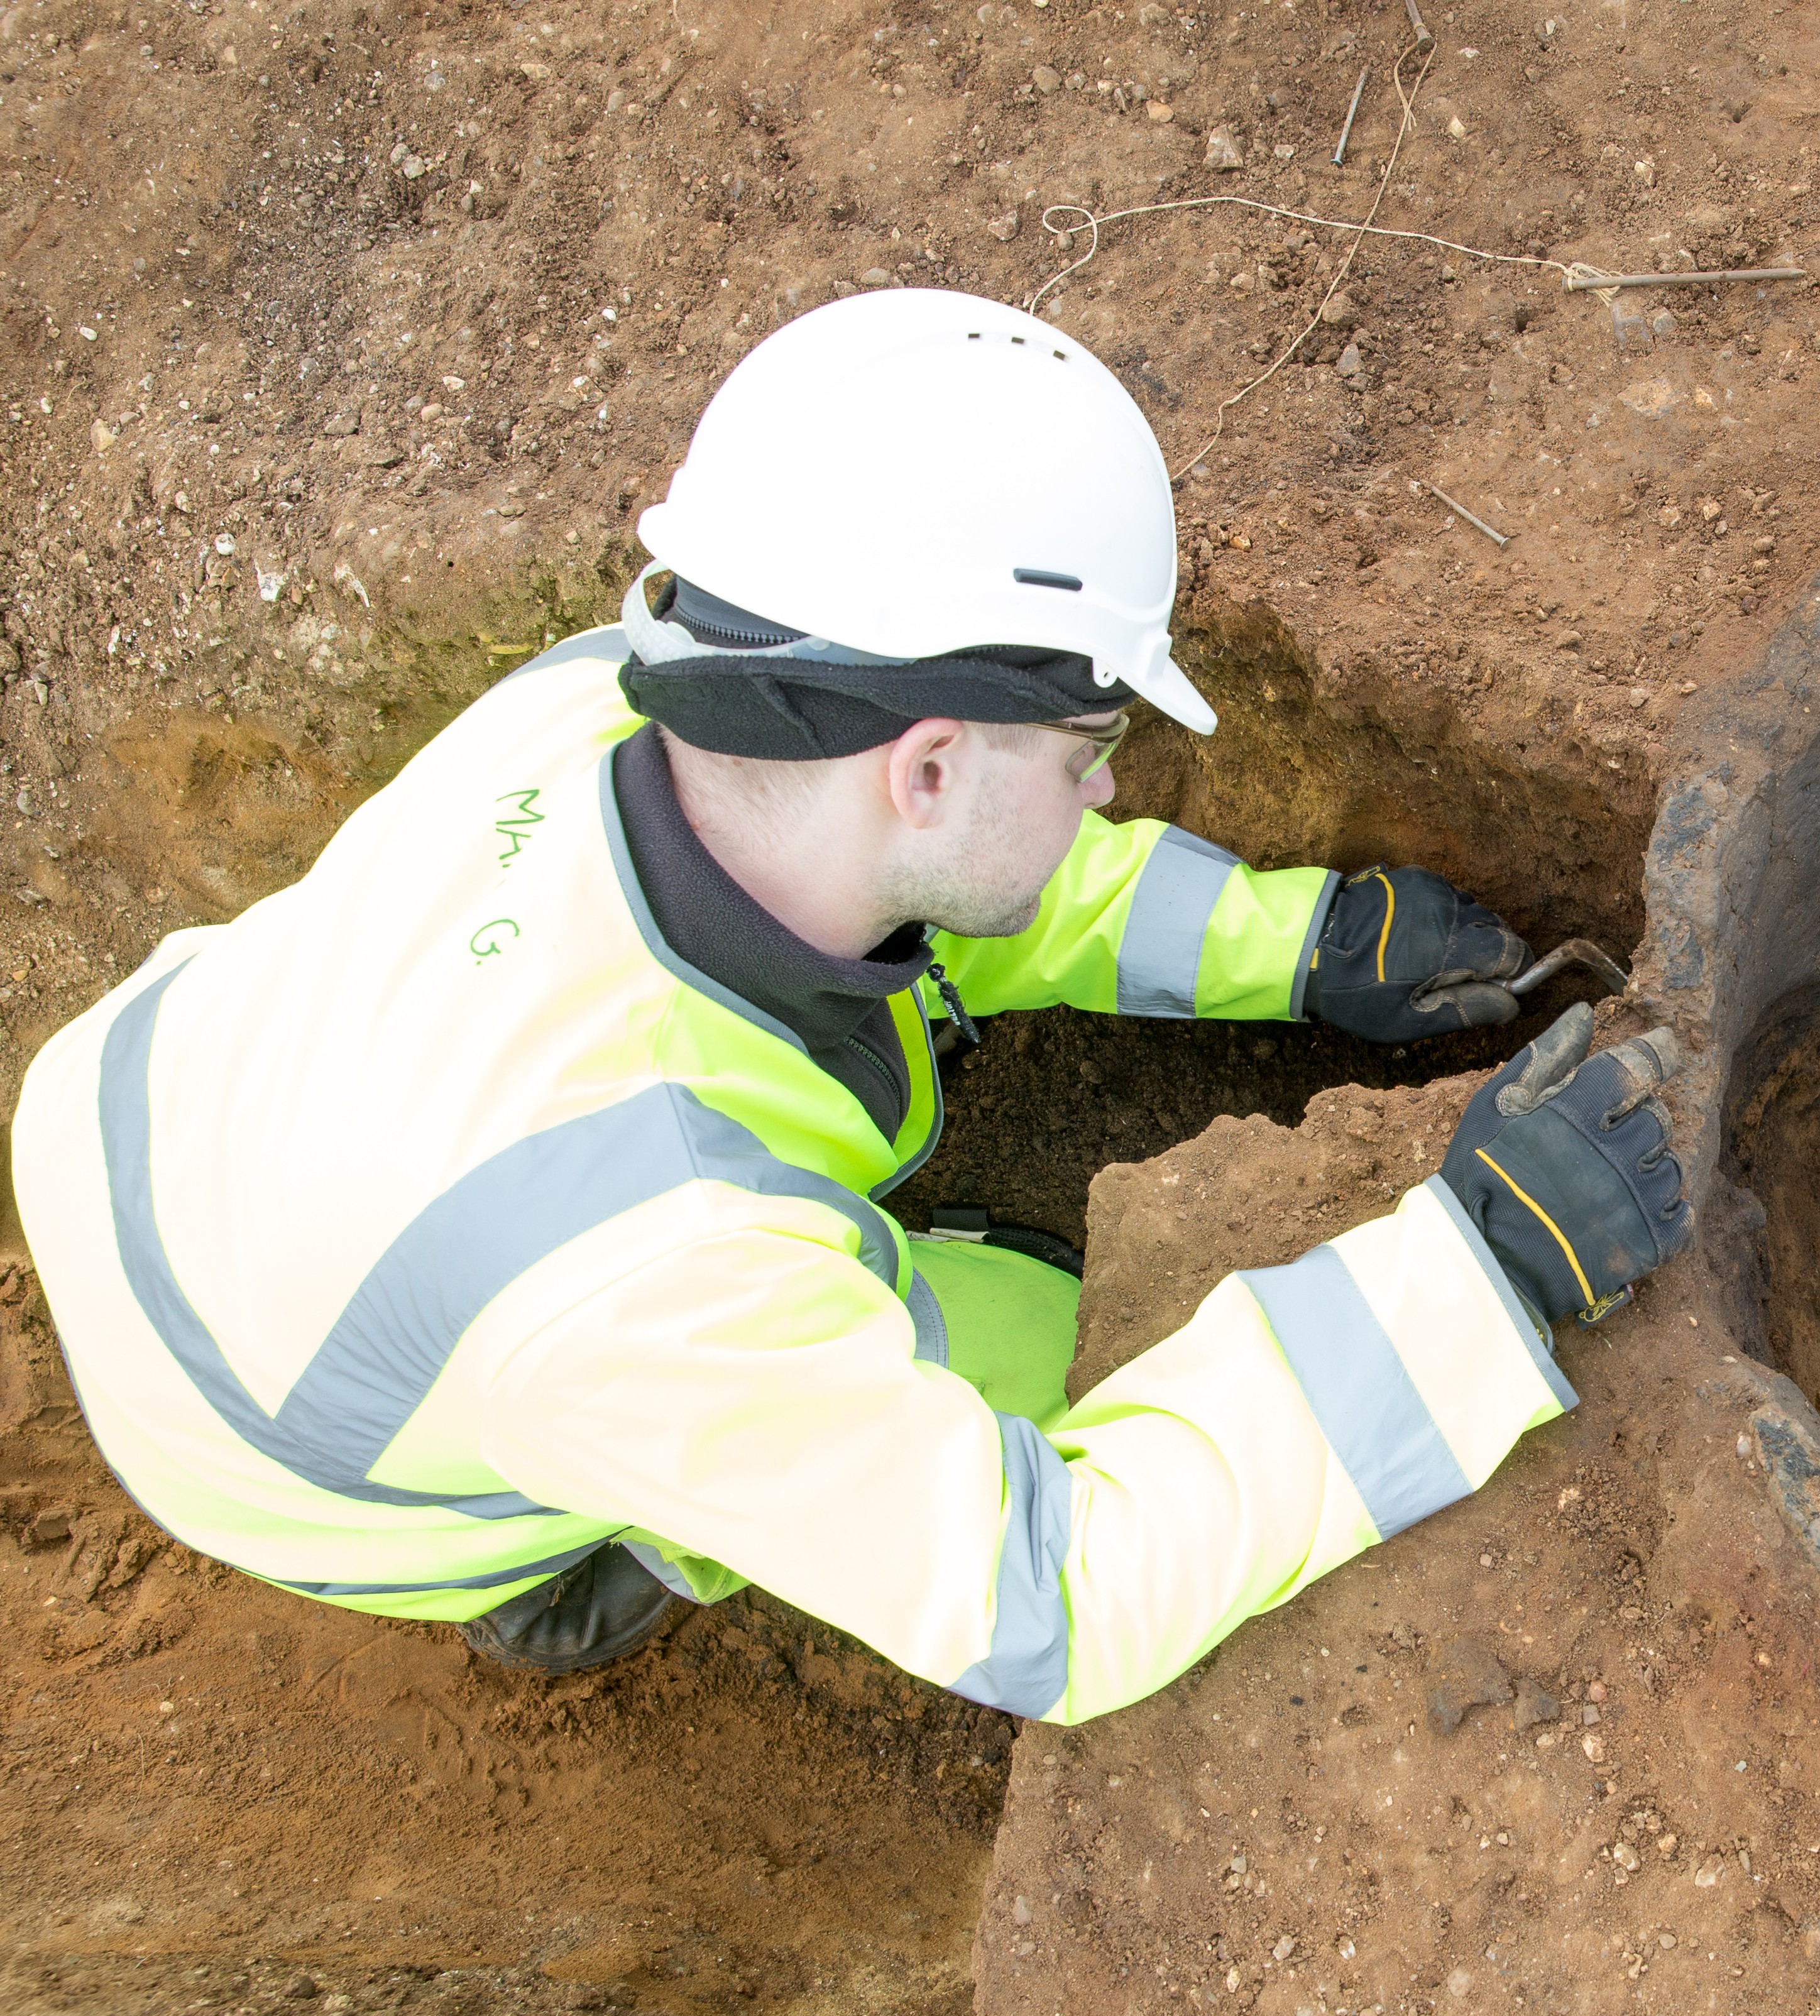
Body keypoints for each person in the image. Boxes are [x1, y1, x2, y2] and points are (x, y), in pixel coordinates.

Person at [10, 288, 1691, 1719]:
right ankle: (590, 1552)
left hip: (183, 1123)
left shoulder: (632, 702)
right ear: (929, 762)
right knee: (1039, 1334)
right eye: (1091, 755)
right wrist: (1483, 1273)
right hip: (279, 1441)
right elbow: (1063, 1592)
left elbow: (964, 881)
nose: (1110, 796)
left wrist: (1296, 939)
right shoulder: (650, 1278)